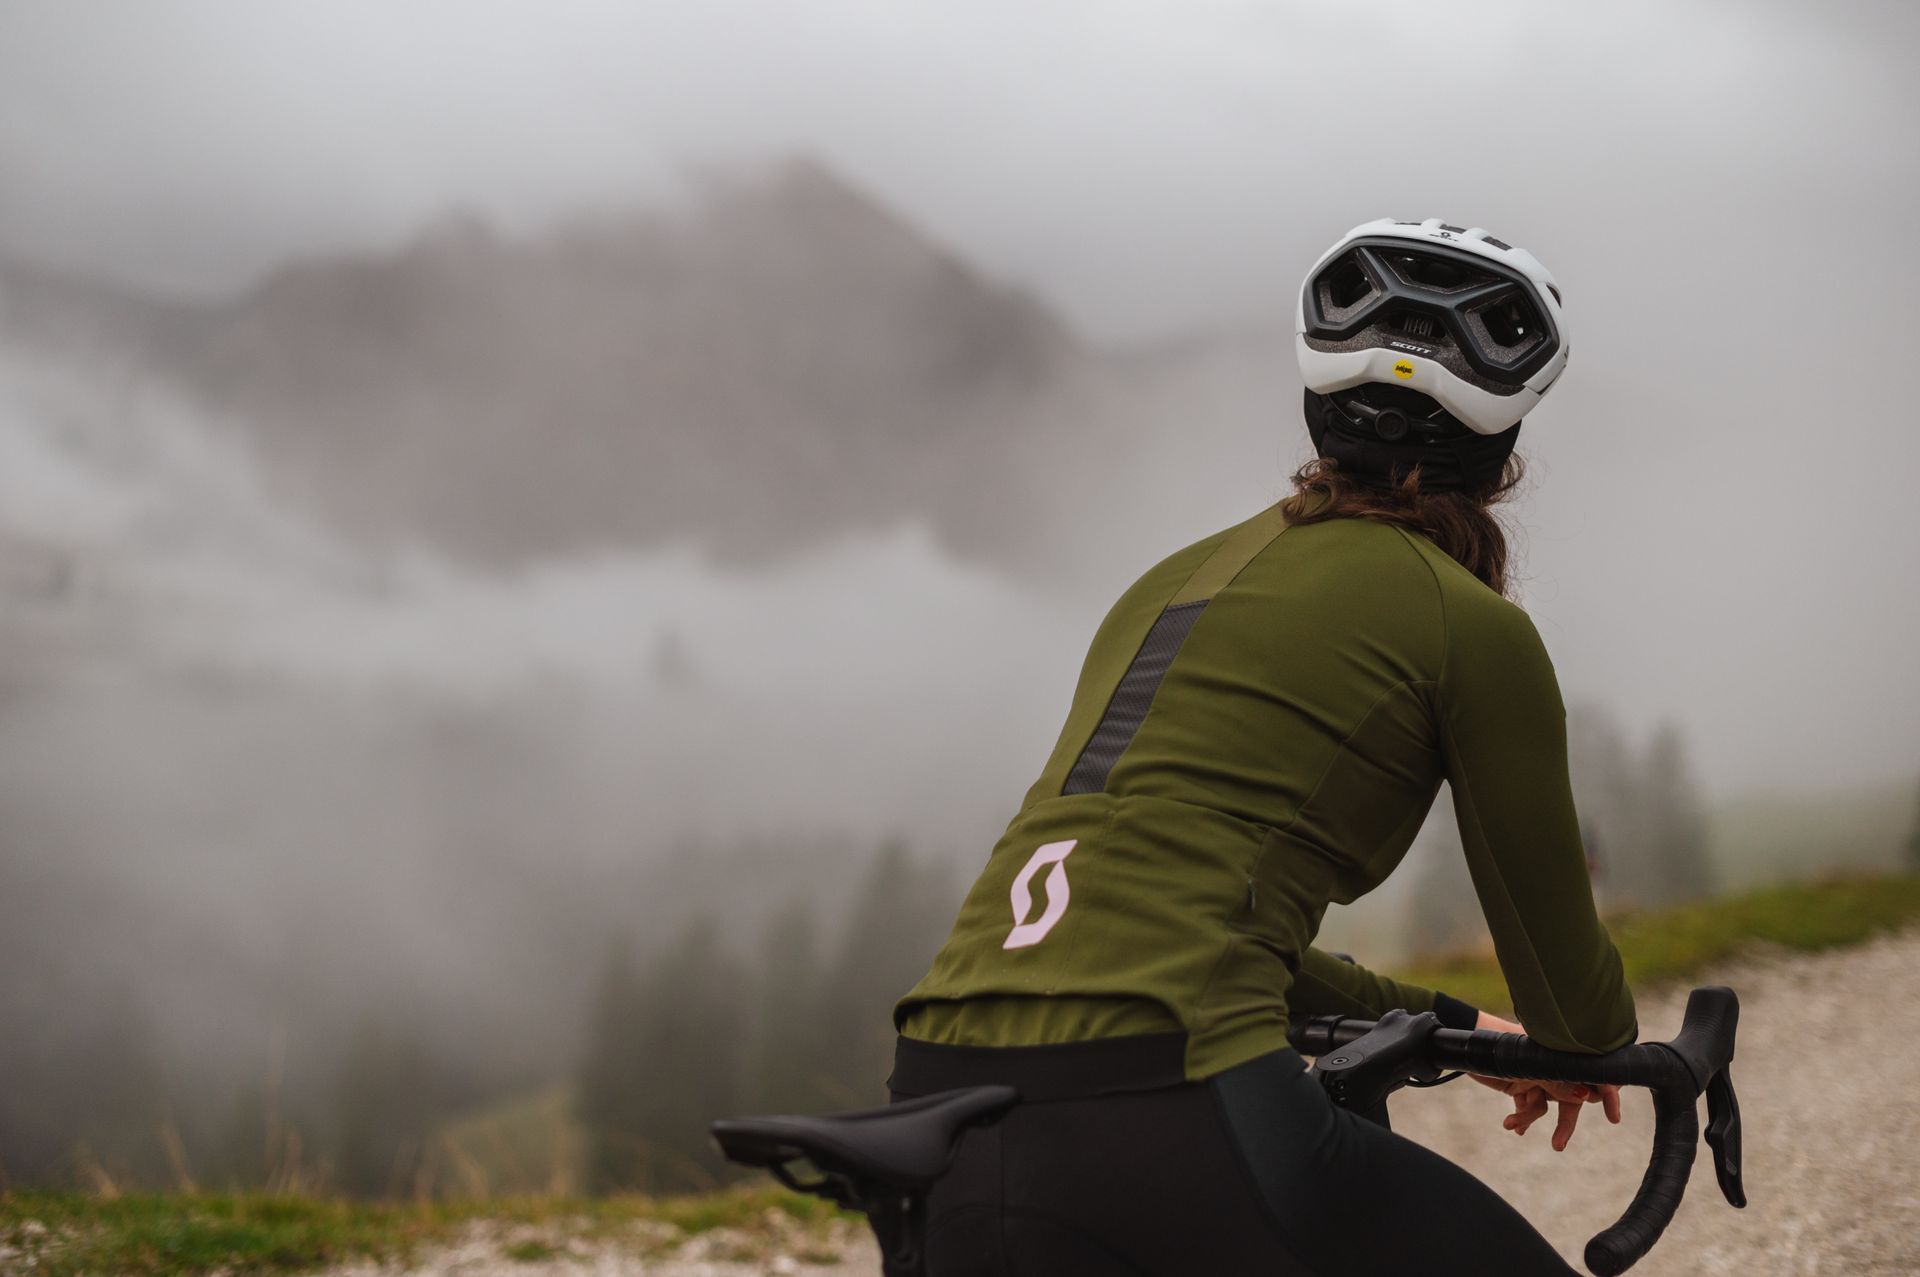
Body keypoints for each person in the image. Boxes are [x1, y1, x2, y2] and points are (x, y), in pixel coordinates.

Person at [890, 218, 1636, 1276]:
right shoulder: (1472, 625)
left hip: (938, 1089)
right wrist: (1570, 1041)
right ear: (1501, 452)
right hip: (1169, 1094)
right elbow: (1580, 1011)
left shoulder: (1162, 587)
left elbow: (1178, 923)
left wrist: (1457, 1024)